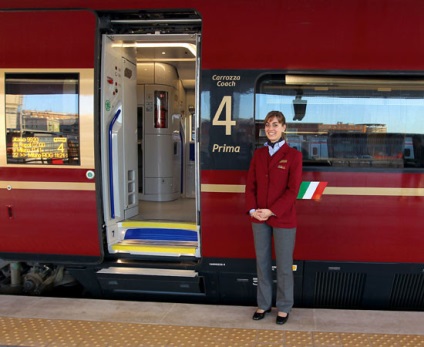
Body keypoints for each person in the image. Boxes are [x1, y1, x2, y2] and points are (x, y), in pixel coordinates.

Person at [245, 110, 302, 325]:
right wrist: (253, 210)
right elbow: (250, 186)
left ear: (284, 128)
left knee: (284, 265)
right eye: (268, 124)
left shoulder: (294, 156)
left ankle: (284, 306)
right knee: (262, 263)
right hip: (258, 216)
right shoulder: (258, 155)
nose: (271, 128)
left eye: (276, 124)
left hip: (283, 218)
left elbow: (292, 190)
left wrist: (271, 210)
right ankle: (264, 304)